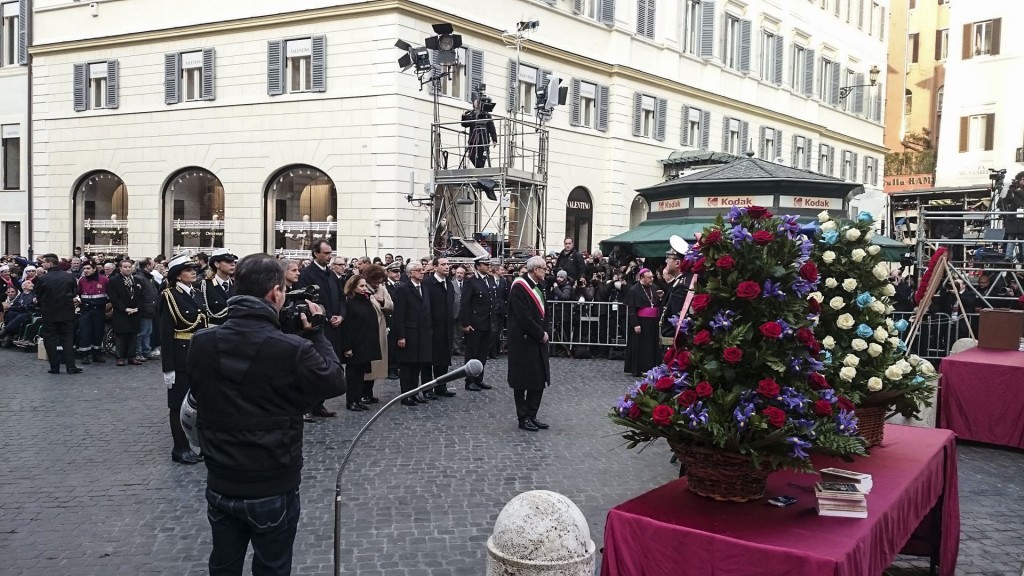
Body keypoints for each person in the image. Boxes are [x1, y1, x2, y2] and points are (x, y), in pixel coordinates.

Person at [187, 253, 345, 576]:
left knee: (223, 564)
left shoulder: (201, 343)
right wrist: (315, 333)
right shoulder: (291, 350)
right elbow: (334, 380)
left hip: (221, 478)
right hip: (271, 479)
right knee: (272, 567)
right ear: (275, 292)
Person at [159, 254, 208, 464]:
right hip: (180, 356)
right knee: (178, 404)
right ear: (177, 275)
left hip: (198, 354)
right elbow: (165, 334)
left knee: (202, 402)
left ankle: (202, 445)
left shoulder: (196, 294)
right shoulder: (168, 296)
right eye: (188, 270)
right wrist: (168, 368)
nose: (193, 272)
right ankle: (180, 447)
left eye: (193, 269)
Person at [295, 240, 345, 418]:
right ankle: (307, 405)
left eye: (331, 252)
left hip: (333, 326)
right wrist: (328, 315)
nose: (329, 256)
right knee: (314, 365)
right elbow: (309, 299)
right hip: (316, 325)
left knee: (329, 363)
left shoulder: (332, 274)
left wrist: (341, 315)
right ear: (316, 253)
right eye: (326, 253)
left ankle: (319, 404)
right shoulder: (307, 274)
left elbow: (340, 297)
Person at [507, 256, 552, 432]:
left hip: (539, 341)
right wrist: (540, 334)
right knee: (522, 381)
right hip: (523, 341)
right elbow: (522, 316)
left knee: (539, 379)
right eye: (543, 269)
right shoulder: (519, 287)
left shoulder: (540, 287)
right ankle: (522, 417)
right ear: (535, 270)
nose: (546, 272)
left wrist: (545, 331)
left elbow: (545, 313)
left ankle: (532, 414)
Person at [392, 262, 433, 406]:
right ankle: (406, 395)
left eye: (422, 270)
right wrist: (401, 336)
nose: (422, 272)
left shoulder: (425, 288)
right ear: (410, 273)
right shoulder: (403, 289)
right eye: (418, 270)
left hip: (423, 333)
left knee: (417, 366)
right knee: (407, 367)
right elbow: (399, 315)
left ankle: (415, 392)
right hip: (409, 333)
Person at [338, 274, 381, 412]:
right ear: (353, 287)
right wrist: (347, 347)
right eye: (361, 286)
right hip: (355, 344)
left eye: (364, 285)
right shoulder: (349, 302)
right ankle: (351, 401)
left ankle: (358, 399)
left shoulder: (365, 299)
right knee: (352, 375)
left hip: (366, 343)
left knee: (361, 374)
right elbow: (347, 327)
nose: (364, 288)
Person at [33, 254, 82, 375]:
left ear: (50, 263)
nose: (42, 264)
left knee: (50, 340)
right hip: (66, 312)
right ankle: (71, 366)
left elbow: (38, 295)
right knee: (67, 340)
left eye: (44, 262)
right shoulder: (68, 277)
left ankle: (54, 367)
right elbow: (74, 292)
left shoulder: (42, 278)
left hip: (49, 313)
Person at [459, 256, 497, 391]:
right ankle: (469, 380)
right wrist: (465, 323)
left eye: (488, 264)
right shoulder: (471, 282)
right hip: (475, 323)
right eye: (485, 264)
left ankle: (479, 378)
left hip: (487, 322)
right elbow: (465, 304)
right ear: (478, 266)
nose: (488, 266)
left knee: (482, 353)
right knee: (472, 353)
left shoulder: (490, 280)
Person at [423, 257, 457, 399]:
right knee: (428, 360)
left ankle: (441, 386)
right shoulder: (428, 283)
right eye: (443, 264)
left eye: (448, 264)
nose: (446, 267)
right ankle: (427, 388)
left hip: (446, 328)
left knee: (443, 359)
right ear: (435, 267)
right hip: (432, 328)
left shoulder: (449, 284)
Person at [360, 264, 393, 404]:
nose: (377, 284)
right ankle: (362, 393)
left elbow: (391, 305)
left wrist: (383, 301)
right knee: (367, 365)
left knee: (376, 365)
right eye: (375, 281)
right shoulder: (362, 289)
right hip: (366, 331)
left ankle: (369, 392)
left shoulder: (382, 289)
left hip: (380, 329)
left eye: (379, 281)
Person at [623, 268, 662, 377]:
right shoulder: (634, 290)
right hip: (641, 322)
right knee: (641, 347)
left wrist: (660, 298)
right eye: (649, 277)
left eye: (652, 277)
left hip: (653, 322)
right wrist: (635, 324)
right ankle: (639, 369)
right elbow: (631, 310)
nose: (652, 279)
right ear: (641, 278)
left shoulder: (655, 288)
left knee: (652, 346)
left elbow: (656, 304)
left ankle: (652, 368)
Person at [107, 258, 144, 366]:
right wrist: (125, 309)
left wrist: (137, 308)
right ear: (120, 268)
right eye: (125, 267)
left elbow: (141, 296)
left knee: (133, 335)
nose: (128, 269)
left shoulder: (137, 280)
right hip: (121, 312)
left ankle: (132, 356)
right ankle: (120, 357)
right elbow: (114, 298)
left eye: (129, 267)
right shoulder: (114, 280)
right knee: (121, 336)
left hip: (135, 312)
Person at [75, 262, 109, 364]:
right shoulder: (82, 280)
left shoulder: (104, 280)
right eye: (84, 268)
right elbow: (78, 293)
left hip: (99, 310)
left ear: (94, 269)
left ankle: (96, 354)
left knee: (98, 332)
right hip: (86, 310)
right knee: (85, 333)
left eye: (88, 268)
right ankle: (85, 355)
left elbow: (110, 294)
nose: (85, 270)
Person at [199, 248, 236, 326]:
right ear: (217, 264)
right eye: (228, 261)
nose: (233, 264)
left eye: (233, 261)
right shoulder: (204, 285)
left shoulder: (237, 285)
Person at [134, 257, 161, 361]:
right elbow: (140, 295)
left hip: (150, 308)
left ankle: (146, 351)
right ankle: (139, 352)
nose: (153, 266)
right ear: (147, 266)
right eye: (152, 264)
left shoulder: (148, 277)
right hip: (145, 309)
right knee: (142, 332)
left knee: (148, 332)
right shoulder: (140, 278)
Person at [461, 98, 498, 168]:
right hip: (473, 140)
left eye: (478, 106)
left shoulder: (487, 116)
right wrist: (463, 117)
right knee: (471, 155)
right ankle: (479, 168)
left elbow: (492, 128)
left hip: (483, 140)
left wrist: (494, 139)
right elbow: (464, 124)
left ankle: (480, 168)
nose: (477, 108)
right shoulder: (472, 115)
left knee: (483, 157)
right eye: (476, 107)